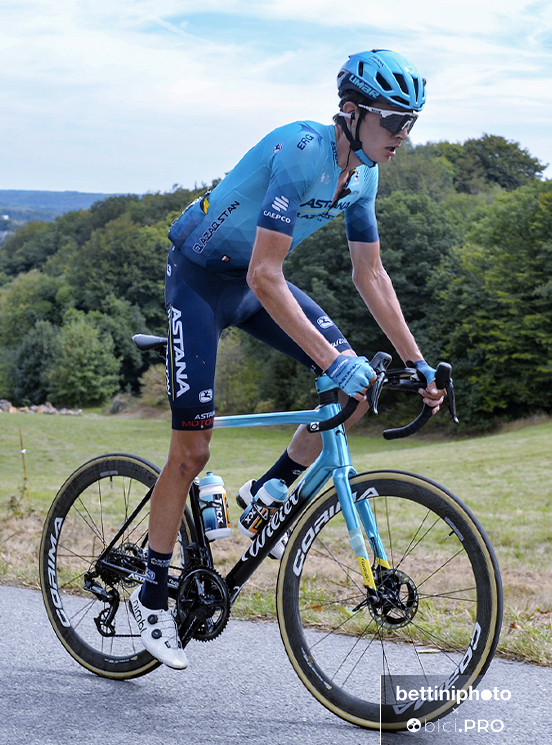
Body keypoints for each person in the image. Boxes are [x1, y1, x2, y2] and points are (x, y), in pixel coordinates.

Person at [130, 49, 446, 668]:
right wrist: (334, 358)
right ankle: (151, 591)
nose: (403, 136)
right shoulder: (302, 153)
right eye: (393, 121)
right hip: (200, 281)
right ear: (351, 112)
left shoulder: (364, 177)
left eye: (411, 123)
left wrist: (417, 361)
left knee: (354, 390)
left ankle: (268, 488)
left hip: (255, 283)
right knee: (191, 452)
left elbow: (371, 274)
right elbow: (265, 274)